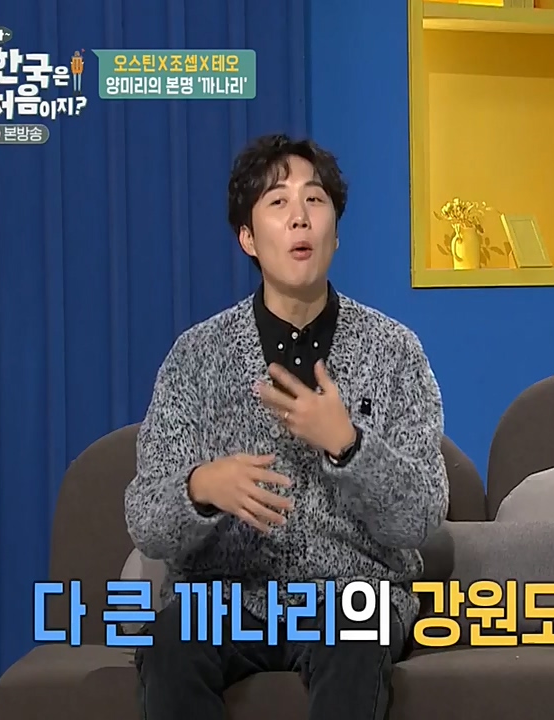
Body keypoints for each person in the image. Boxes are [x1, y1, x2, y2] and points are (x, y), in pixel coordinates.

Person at [124, 134, 449, 720]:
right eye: (277, 202)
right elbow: (147, 520)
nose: (300, 216)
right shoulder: (196, 356)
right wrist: (201, 488)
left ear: (335, 232)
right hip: (224, 596)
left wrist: (349, 446)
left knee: (356, 635)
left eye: (315, 200)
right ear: (247, 238)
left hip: (351, 594)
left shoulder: (394, 352)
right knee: (170, 643)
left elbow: (422, 517)